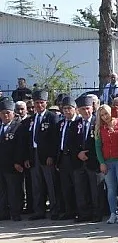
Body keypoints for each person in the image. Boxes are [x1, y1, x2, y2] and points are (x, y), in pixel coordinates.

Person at [26, 90, 61, 220]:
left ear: (46, 103)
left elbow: (55, 139)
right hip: (34, 155)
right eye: (36, 103)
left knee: (51, 184)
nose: (39, 105)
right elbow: (28, 139)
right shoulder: (31, 119)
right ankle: (39, 211)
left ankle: (55, 210)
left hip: (47, 156)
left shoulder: (52, 117)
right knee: (37, 185)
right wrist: (28, 157)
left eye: (41, 103)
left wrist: (51, 156)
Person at [95, 104, 118, 224]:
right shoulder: (100, 128)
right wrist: (101, 162)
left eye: (106, 113)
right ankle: (112, 213)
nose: (105, 117)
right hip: (107, 162)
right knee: (111, 189)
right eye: (102, 115)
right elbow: (98, 147)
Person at [70, 95, 103, 223]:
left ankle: (97, 213)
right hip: (79, 162)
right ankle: (84, 213)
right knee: (81, 189)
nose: (86, 111)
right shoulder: (75, 124)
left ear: (92, 108)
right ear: (78, 110)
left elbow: (101, 143)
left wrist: (91, 155)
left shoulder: (98, 122)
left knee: (96, 190)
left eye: (88, 108)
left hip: (94, 161)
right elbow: (70, 143)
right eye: (83, 109)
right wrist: (78, 153)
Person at [0, 99, 25, 221]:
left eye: (8, 112)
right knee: (2, 191)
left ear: (13, 114)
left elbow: (20, 146)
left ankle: (15, 213)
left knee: (13, 190)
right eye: (3, 113)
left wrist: (17, 162)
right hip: (1, 165)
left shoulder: (18, 127)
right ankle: (3, 213)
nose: (5, 115)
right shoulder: (0, 127)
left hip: (12, 165)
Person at [56, 97, 79, 220]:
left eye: (69, 108)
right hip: (63, 158)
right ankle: (68, 210)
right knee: (65, 186)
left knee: (78, 186)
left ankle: (79, 210)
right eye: (64, 109)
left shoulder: (79, 122)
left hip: (75, 159)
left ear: (74, 109)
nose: (66, 111)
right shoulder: (61, 124)